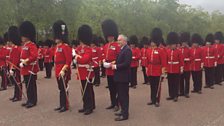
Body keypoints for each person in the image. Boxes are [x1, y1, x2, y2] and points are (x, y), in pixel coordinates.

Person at [75, 25, 95, 115]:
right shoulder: (79, 48)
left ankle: (90, 107)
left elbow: (85, 59)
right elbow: (75, 55)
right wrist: (76, 57)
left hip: (87, 72)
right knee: (82, 90)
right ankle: (85, 105)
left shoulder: (88, 49)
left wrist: (77, 58)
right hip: (80, 72)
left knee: (88, 90)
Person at [53, 20, 72, 113]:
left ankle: (65, 105)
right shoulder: (57, 47)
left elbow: (68, 61)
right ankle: (61, 104)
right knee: (60, 88)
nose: (55, 38)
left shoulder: (66, 47)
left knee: (64, 87)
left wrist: (64, 70)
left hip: (63, 70)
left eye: (57, 36)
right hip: (57, 69)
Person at [19, 21, 39, 108]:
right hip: (25, 69)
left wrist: (25, 62)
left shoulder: (32, 45)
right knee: (27, 85)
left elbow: (34, 56)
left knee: (31, 86)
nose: (22, 37)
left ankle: (33, 101)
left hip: (30, 68)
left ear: (27, 35)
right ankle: (29, 99)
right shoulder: (24, 45)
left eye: (23, 36)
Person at [101, 19, 120, 111]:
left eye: (110, 36)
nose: (109, 38)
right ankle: (113, 103)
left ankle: (117, 103)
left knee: (116, 88)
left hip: (114, 69)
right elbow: (104, 56)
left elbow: (119, 58)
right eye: (108, 36)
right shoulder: (105, 46)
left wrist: (111, 63)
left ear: (114, 36)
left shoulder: (117, 45)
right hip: (108, 70)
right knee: (111, 88)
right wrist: (104, 61)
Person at [112, 34, 132, 121]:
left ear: (124, 41)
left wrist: (116, 66)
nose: (118, 42)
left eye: (119, 40)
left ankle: (125, 115)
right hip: (120, 77)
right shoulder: (122, 49)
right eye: (117, 40)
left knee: (124, 96)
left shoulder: (127, 50)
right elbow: (120, 60)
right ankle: (123, 110)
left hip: (123, 77)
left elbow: (126, 63)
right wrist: (114, 63)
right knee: (120, 95)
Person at [146, 28, 166, 107]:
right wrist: (147, 70)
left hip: (157, 70)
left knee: (157, 87)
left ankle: (157, 100)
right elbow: (147, 61)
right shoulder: (148, 50)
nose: (152, 43)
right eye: (151, 42)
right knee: (152, 86)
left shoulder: (161, 50)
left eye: (153, 42)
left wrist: (163, 72)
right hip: (151, 69)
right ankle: (152, 99)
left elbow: (163, 62)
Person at [166, 32, 184, 102]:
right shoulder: (168, 51)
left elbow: (181, 61)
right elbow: (166, 61)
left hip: (176, 69)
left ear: (175, 44)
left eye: (173, 44)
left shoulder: (179, 52)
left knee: (176, 83)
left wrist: (181, 69)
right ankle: (171, 95)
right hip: (169, 69)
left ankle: (176, 95)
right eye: (170, 44)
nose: (171, 46)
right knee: (170, 83)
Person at [7, 26, 22, 102]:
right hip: (13, 66)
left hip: (16, 67)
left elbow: (15, 60)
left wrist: (12, 68)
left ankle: (18, 96)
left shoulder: (16, 48)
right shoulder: (14, 47)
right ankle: (15, 95)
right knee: (15, 81)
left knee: (17, 81)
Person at [179, 32, 191, 98]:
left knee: (187, 80)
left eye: (185, 42)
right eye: (183, 42)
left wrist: (186, 59)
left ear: (187, 42)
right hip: (181, 67)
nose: (183, 43)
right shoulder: (179, 49)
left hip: (187, 67)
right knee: (181, 80)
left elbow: (192, 57)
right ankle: (181, 91)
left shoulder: (189, 49)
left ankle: (186, 92)